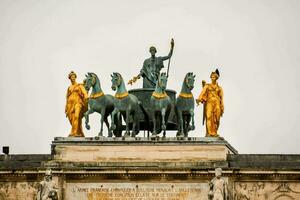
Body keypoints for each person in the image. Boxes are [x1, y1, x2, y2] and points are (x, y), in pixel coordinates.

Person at [196, 69, 224, 137]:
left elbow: (221, 98)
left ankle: (215, 132)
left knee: (217, 119)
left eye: (213, 77)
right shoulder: (207, 86)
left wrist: (222, 105)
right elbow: (203, 93)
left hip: (217, 103)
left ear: (216, 78)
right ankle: (209, 133)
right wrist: (199, 99)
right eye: (211, 77)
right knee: (208, 117)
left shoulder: (219, 88)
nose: (212, 78)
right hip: (209, 103)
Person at [65, 71, 88, 137]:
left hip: (78, 103)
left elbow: (84, 93)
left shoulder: (79, 85)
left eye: (74, 76)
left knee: (77, 116)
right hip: (70, 104)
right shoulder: (69, 88)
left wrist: (86, 97)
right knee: (72, 119)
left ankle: (74, 132)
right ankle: (78, 132)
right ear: (70, 78)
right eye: (71, 77)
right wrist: (66, 107)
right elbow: (67, 97)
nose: (73, 78)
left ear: (75, 77)